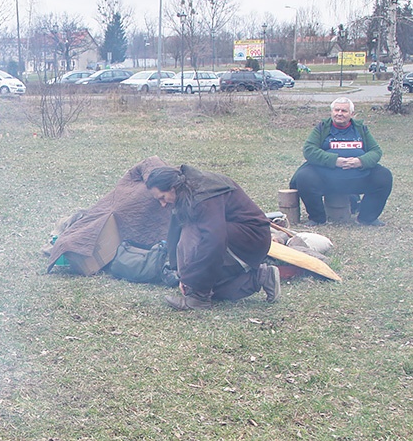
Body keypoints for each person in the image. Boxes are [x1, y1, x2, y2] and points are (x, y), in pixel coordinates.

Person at [145, 165, 280, 311]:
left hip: (251, 238)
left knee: (193, 234)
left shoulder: (203, 196)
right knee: (213, 289)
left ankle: (198, 299)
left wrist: (193, 281)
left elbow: (213, 241)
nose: (163, 204)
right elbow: (175, 233)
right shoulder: (184, 190)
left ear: (173, 188)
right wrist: (180, 273)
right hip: (231, 234)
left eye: (162, 198)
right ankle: (261, 277)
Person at [289, 97, 392, 227]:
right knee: (304, 176)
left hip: (358, 176)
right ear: (332, 112)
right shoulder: (322, 128)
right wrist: (334, 161)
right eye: (336, 110)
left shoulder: (361, 129)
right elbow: (309, 150)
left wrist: (360, 161)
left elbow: (376, 151)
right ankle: (317, 218)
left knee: (383, 175)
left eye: (344, 111)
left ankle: (367, 218)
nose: (339, 113)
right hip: (326, 177)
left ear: (351, 114)